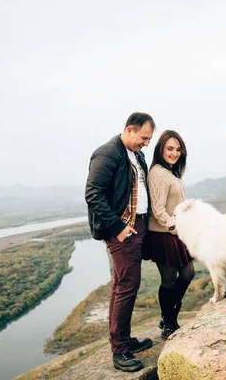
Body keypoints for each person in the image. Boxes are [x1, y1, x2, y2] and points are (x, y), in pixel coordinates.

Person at [85, 112, 155, 372]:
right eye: (144, 138)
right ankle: (120, 351)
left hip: (137, 225)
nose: (146, 143)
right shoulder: (108, 153)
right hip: (122, 229)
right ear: (129, 129)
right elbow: (93, 194)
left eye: (149, 139)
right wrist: (118, 228)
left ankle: (124, 340)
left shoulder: (136, 155)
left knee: (123, 284)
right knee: (127, 285)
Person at [144, 130, 195, 339]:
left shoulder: (171, 172)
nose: (174, 153)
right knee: (169, 280)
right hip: (163, 233)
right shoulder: (157, 173)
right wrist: (175, 225)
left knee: (188, 273)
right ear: (161, 149)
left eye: (178, 149)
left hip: (175, 231)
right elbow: (158, 210)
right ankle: (169, 322)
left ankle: (169, 316)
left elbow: (174, 203)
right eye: (170, 149)